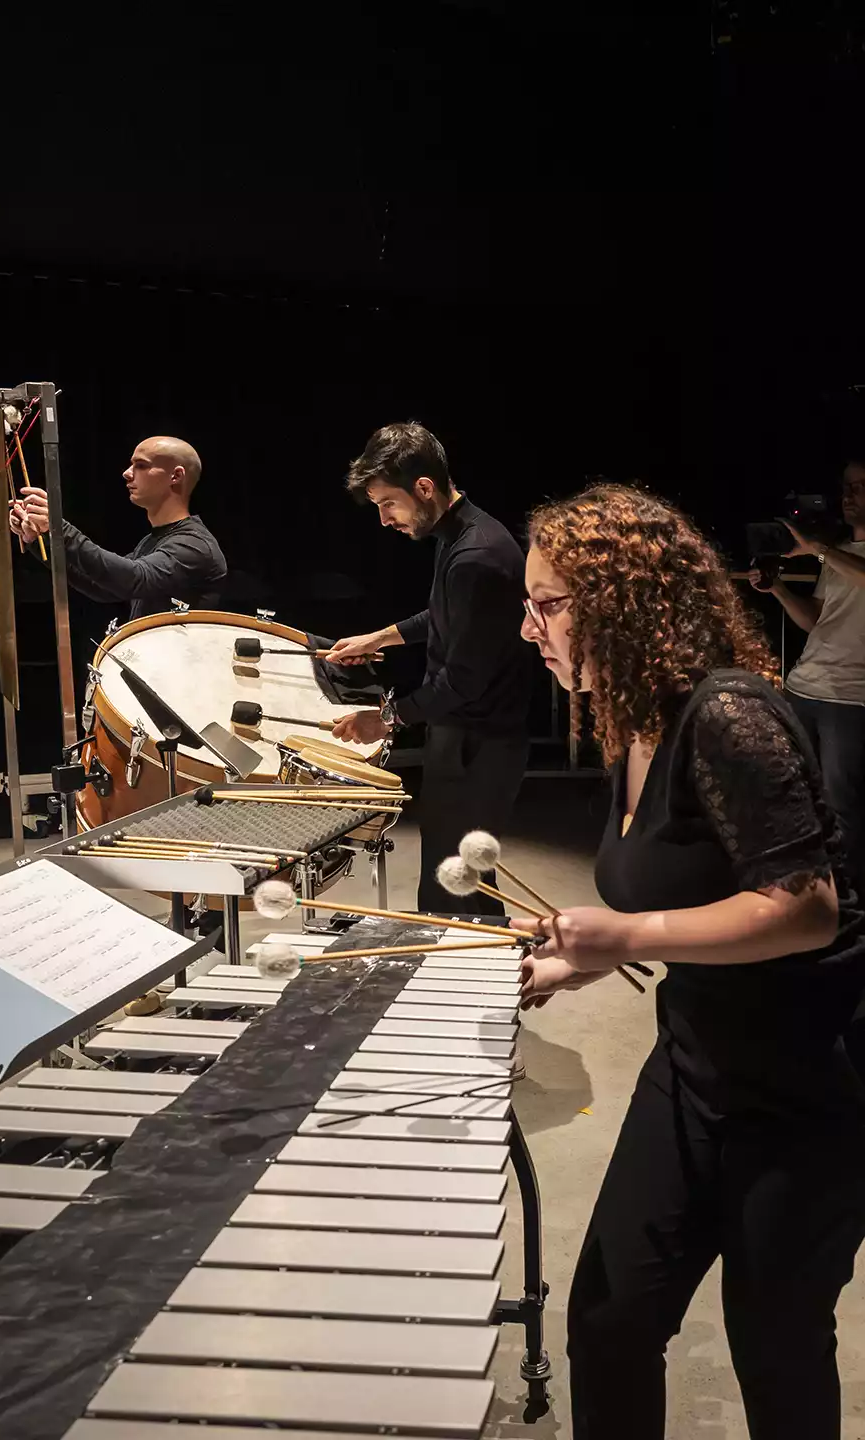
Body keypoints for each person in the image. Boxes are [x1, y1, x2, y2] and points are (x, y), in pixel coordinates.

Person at [520, 483, 865, 1440]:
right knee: (608, 1321)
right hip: (695, 1068)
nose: (528, 627)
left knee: (776, 1341)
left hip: (810, 1088)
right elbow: (681, 896)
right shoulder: (631, 725)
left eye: (547, 603)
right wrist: (569, 967)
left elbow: (805, 911)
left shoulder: (729, 713)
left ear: (626, 600)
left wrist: (623, 938)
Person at [325, 421, 530, 915]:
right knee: (461, 875)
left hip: (480, 743)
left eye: (387, 504)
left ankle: (470, 980)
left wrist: (385, 717)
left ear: (424, 487)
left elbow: (462, 680)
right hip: (465, 734)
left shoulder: (476, 554)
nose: (384, 520)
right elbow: (444, 614)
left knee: (454, 882)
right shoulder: (458, 533)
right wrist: (382, 636)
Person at [749, 460, 865, 899]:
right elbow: (817, 619)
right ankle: (801, 893)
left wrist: (820, 550)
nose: (849, 496)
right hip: (805, 686)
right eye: (846, 487)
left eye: (860, 487)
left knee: (843, 808)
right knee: (795, 795)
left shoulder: (833, 554)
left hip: (851, 697)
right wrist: (777, 588)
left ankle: (844, 902)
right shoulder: (837, 555)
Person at [9, 434, 227, 617]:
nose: (127, 473)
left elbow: (132, 579)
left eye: (141, 465)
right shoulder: (156, 540)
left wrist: (59, 528)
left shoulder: (195, 545)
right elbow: (103, 587)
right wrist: (39, 539)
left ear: (176, 475)